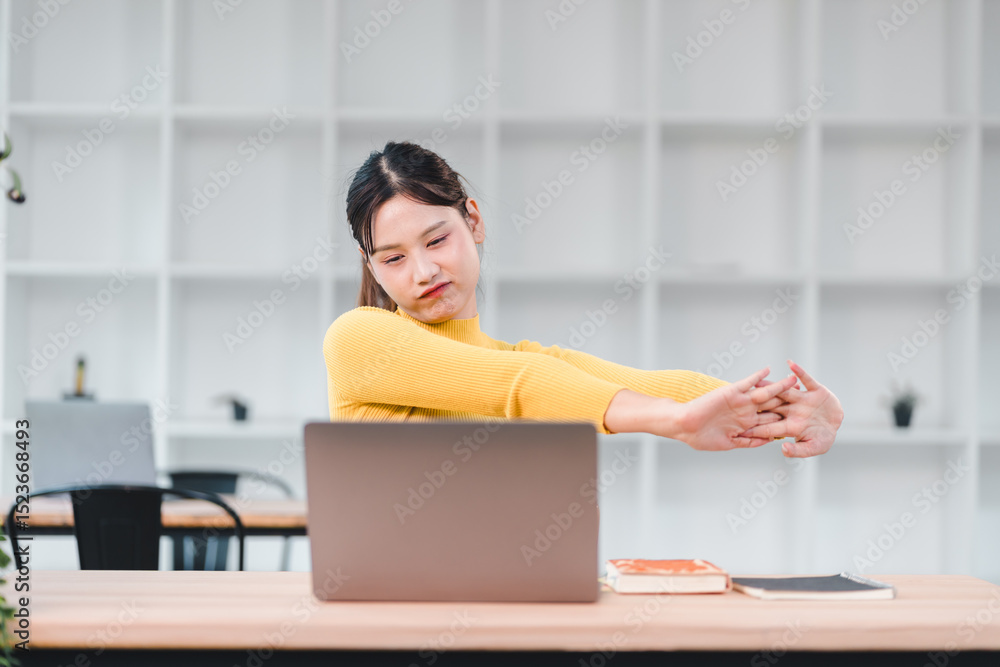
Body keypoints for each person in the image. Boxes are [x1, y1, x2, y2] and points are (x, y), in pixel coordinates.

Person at [324, 141, 843, 457]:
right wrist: (673, 423)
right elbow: (519, 385)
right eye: (392, 259)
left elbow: (645, 384)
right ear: (371, 267)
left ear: (474, 222)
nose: (423, 271)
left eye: (437, 240)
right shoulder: (358, 338)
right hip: (387, 616)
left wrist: (791, 410)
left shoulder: (519, 361)